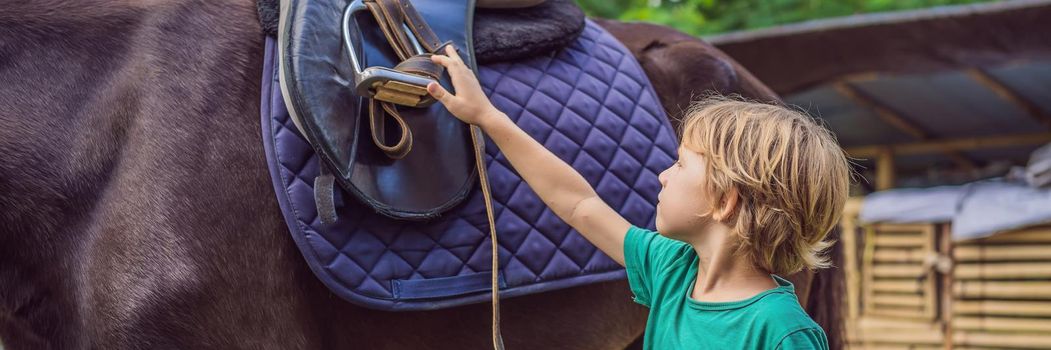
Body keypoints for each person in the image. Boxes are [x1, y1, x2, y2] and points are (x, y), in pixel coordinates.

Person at [426, 45, 850, 349]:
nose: (663, 176)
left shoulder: (782, 332)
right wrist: (487, 117)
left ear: (726, 201)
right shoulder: (673, 271)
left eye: (681, 164)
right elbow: (577, 203)